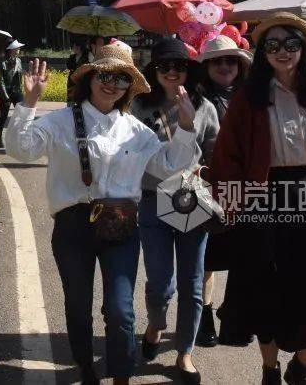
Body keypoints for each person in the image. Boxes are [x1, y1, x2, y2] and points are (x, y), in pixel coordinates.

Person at [6, 42, 200, 385]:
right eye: (106, 75)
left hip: (121, 227)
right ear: (92, 76)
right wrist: (30, 103)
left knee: (121, 311)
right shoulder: (61, 121)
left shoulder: (136, 131)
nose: (112, 84)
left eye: (122, 79)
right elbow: (22, 149)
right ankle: (86, 369)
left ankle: (122, 377)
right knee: (78, 310)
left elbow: (170, 166)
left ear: (130, 87)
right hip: (72, 227)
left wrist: (185, 127)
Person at [205, 12, 306, 385]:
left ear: (302, 49)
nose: (283, 52)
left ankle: (304, 363)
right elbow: (226, 156)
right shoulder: (249, 98)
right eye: (273, 45)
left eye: (291, 44)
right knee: (264, 285)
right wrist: (237, 201)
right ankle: (269, 368)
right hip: (262, 196)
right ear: (263, 51)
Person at [132, 38, 219, 384]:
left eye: (179, 66)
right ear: (154, 71)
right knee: (159, 282)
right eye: (165, 66)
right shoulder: (139, 107)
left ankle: (185, 352)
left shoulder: (204, 107)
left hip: (190, 197)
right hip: (153, 199)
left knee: (193, 282)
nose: (172, 72)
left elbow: (215, 152)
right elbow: (132, 153)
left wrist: (208, 180)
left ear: (188, 70)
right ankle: (155, 324)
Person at [194, 35, 253, 349]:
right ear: (206, 66)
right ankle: (203, 318)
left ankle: (236, 316)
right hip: (208, 186)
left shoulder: (252, 96)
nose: (225, 66)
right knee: (208, 258)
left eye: (231, 60)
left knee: (245, 254)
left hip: (245, 186)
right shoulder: (196, 96)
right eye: (217, 60)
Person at [0, 40, 25, 149]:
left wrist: (20, 90)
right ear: (12, 49)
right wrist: (5, 95)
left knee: (22, 113)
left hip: (16, 91)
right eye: (17, 48)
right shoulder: (2, 62)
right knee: (3, 116)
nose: (19, 49)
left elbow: (19, 77)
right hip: (5, 91)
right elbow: (1, 80)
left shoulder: (19, 61)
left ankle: (20, 138)